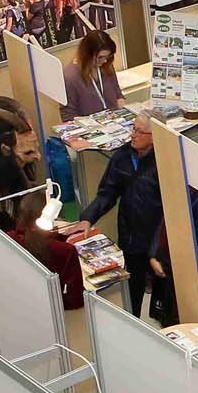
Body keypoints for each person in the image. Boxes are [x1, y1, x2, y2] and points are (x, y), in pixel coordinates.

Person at [73, 115, 161, 317]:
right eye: (133, 128)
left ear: (155, 137)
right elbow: (107, 193)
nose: (133, 135)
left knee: (164, 302)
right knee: (132, 298)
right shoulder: (122, 157)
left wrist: (159, 249)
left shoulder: (165, 161)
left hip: (159, 243)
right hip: (131, 240)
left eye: (140, 132)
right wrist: (88, 218)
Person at [149, 179, 198, 321]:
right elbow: (161, 224)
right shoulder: (177, 192)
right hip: (175, 267)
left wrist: (167, 265)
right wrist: (153, 255)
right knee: (183, 314)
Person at [8, 190, 84, 311]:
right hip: (58, 313)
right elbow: (76, 299)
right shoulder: (65, 251)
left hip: (18, 307)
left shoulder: (8, 239)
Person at [61, 31, 123, 116]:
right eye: (100, 57)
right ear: (87, 54)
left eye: (107, 56)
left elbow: (118, 95)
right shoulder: (70, 77)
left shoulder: (106, 65)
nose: (104, 61)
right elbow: (68, 115)